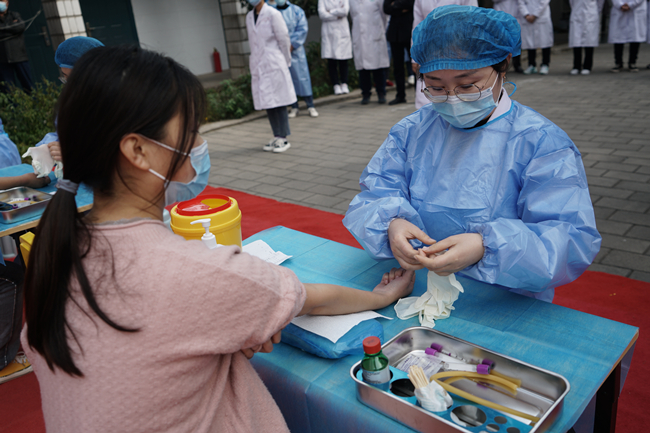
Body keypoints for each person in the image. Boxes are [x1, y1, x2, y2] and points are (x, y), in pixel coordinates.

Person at [20, 45, 415, 432]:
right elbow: (311, 298)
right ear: (138, 150)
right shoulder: (193, 271)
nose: (197, 145)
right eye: (189, 131)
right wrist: (381, 298)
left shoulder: (54, 252)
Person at [343, 5, 601, 304]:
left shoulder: (540, 141)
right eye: (435, 87)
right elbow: (375, 195)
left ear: (503, 64)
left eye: (467, 85)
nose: (452, 99)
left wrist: (487, 247)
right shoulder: (411, 131)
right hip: (417, 284)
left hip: (504, 295)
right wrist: (392, 223)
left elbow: (569, 239)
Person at [33, 36, 105, 163]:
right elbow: (62, 133)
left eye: (75, 78)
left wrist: (74, 152)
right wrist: (49, 145)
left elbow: (115, 148)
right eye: (65, 77)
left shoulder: (117, 101)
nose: (70, 84)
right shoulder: (73, 99)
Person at [247, 0, 295, 153]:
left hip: (274, 62)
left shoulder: (273, 14)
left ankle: (283, 137)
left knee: (279, 101)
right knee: (268, 102)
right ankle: (276, 135)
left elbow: (284, 39)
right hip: (259, 64)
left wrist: (286, 60)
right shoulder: (249, 16)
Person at [411, 0, 478, 110]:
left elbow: (473, 19)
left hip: (458, 48)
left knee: (455, 90)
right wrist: (414, 58)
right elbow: (417, 26)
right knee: (427, 93)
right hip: (428, 50)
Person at [272, 0, 319, 118]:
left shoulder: (296, 11)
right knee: (287, 80)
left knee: (302, 78)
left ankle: (310, 105)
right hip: (280, 52)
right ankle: (294, 107)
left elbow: (302, 29)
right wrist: (282, 46)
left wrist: (292, 45)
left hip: (296, 51)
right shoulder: (272, 12)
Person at [350, 0, 390, 104]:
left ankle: (381, 92)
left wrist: (379, 30)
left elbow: (384, 16)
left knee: (378, 67)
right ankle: (365, 94)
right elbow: (353, 16)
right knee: (363, 69)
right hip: (360, 37)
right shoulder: (352, 1)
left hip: (375, 36)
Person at [384, 0, 415, 105]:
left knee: (415, 65)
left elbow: (411, 4)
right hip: (395, 33)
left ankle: (419, 94)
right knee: (398, 67)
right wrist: (401, 8)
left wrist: (395, 5)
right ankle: (400, 95)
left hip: (409, 31)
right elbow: (386, 8)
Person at [319, 0, 352, 95]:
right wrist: (337, 14)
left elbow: (345, 11)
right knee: (331, 60)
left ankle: (344, 83)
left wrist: (330, 11)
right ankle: (336, 85)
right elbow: (322, 15)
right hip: (329, 32)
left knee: (343, 59)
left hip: (342, 31)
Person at [0, 0, 33, 94]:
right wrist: (12, 27)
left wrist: (2, 28)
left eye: (3, 1)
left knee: (28, 85)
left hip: (19, 56)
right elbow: (16, 28)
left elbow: (20, 27)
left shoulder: (14, 15)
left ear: (7, 3)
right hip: (3, 59)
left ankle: (33, 101)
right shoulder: (13, 18)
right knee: (7, 89)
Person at [608, 0, 647, 72]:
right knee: (618, 38)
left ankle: (632, 62)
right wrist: (620, 5)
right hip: (619, 10)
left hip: (636, 9)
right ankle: (618, 63)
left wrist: (631, 5)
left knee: (635, 38)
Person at [569, 0, 605, 75]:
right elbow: (571, 2)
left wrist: (596, 11)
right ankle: (576, 66)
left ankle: (587, 66)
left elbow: (600, 3)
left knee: (589, 42)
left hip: (590, 15)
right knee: (576, 42)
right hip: (577, 14)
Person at [517, 0, 554, 74]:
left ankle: (545, 64)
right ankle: (531, 65)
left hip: (541, 16)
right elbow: (521, 3)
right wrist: (526, 15)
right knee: (530, 43)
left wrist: (534, 15)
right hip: (527, 18)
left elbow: (544, 2)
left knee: (545, 41)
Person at [492, 0, 524, 73]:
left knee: (515, 42)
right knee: (501, 43)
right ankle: (501, 65)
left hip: (515, 16)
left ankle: (517, 64)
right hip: (500, 16)